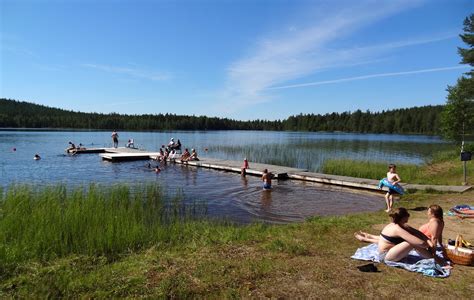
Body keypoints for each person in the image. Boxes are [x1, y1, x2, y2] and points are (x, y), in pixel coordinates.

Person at [354, 208, 450, 266]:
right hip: (385, 256)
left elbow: (418, 233)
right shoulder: (397, 229)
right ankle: (435, 260)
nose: (409, 216)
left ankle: (434, 258)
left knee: (413, 240)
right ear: (404, 217)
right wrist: (428, 244)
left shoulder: (401, 225)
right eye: (407, 215)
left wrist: (428, 239)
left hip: (391, 250)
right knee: (411, 243)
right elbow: (420, 243)